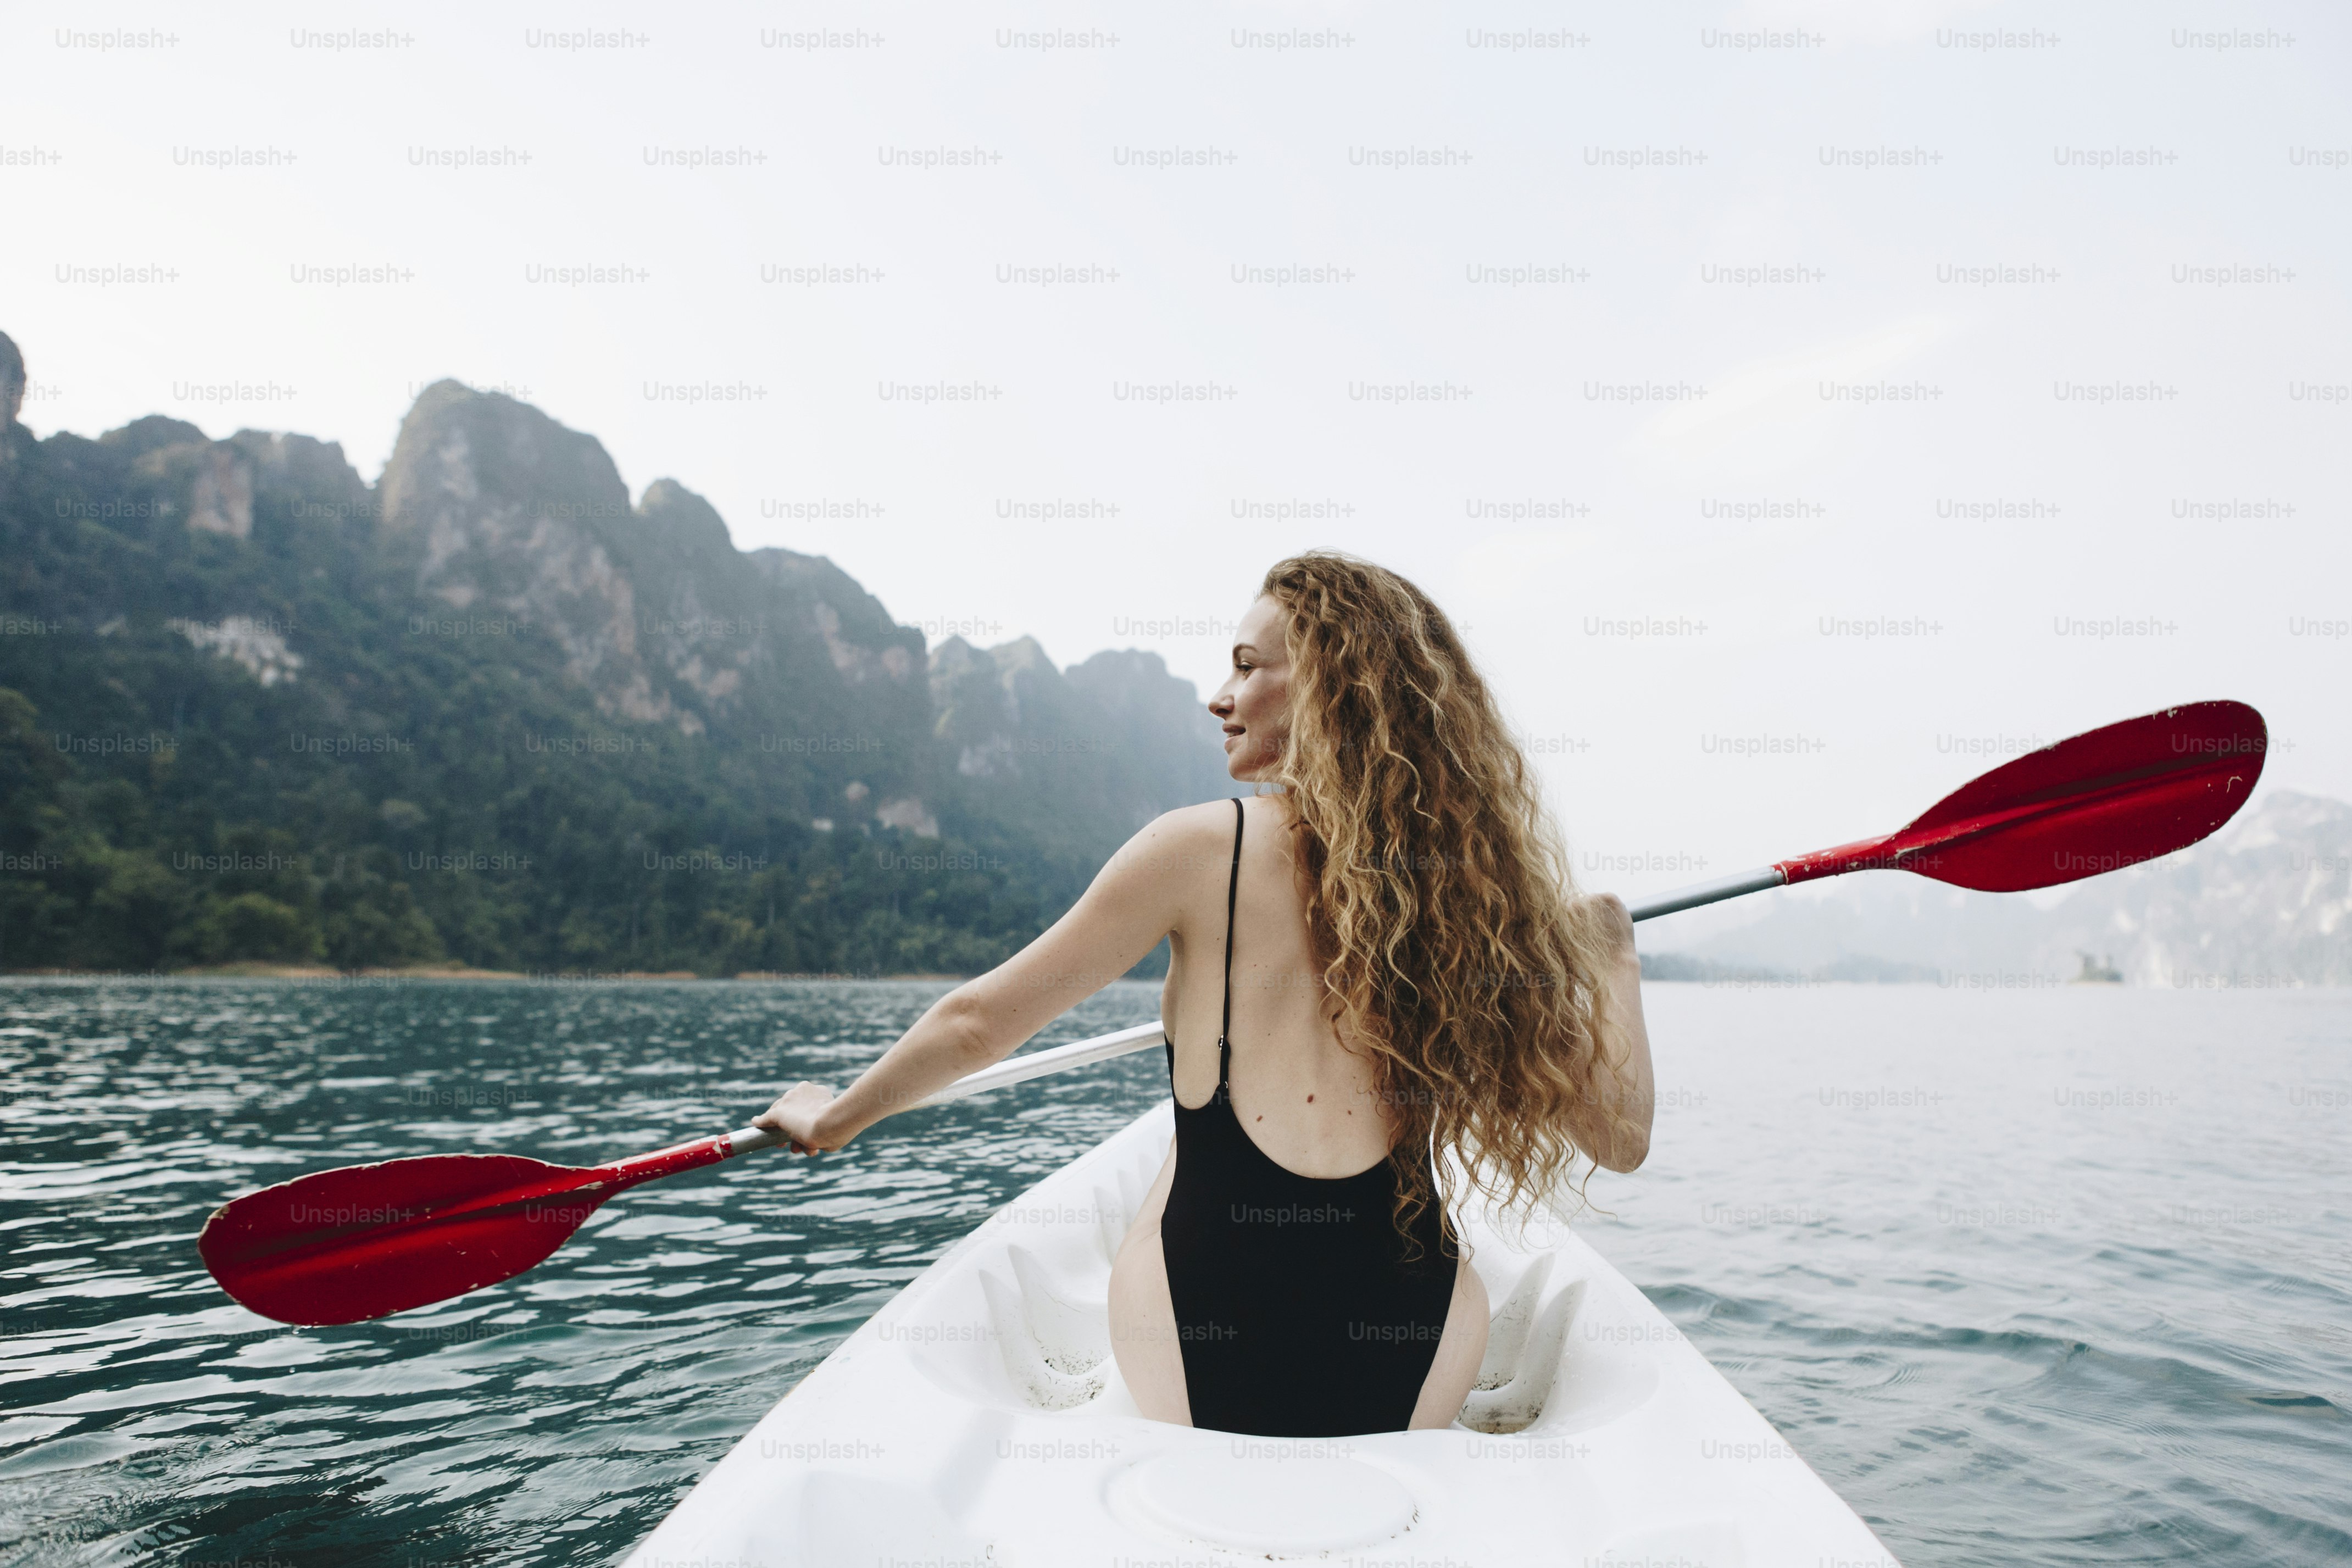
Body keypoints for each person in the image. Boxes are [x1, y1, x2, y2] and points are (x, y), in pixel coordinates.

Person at [757, 551, 1654, 1437]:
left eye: (1246, 666)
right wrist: (1611, 958)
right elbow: (1619, 1138)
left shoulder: (1195, 850)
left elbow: (979, 1022)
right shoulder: (1467, 901)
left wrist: (833, 1118)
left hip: (1202, 1341)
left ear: (1330, 688)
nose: (1217, 697)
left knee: (1173, 1173)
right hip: (1408, 1350)